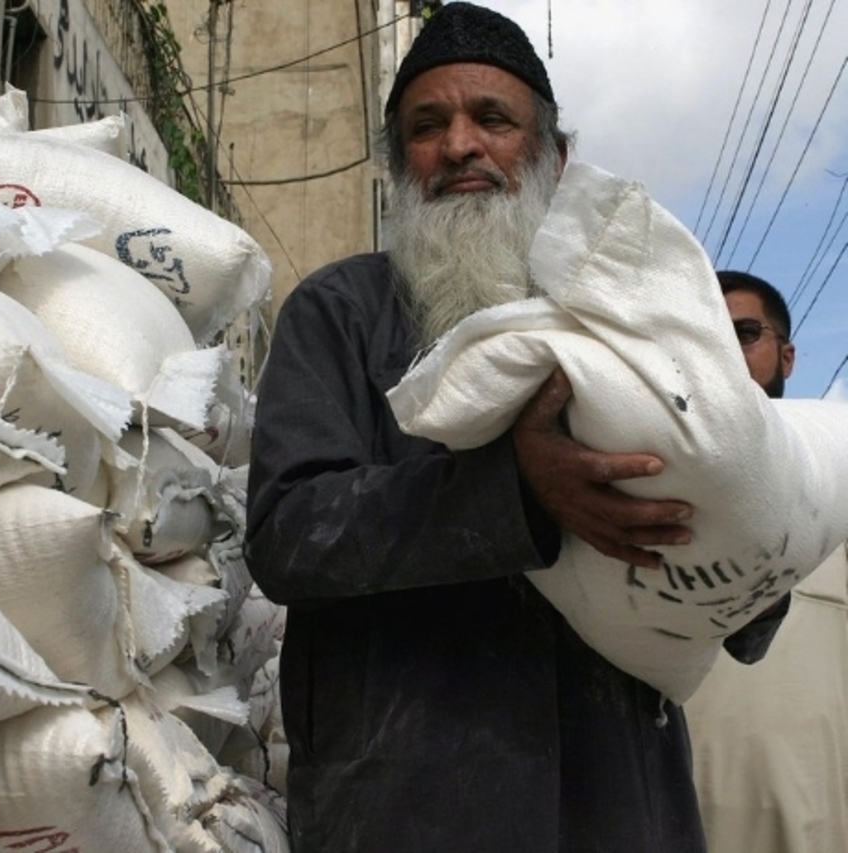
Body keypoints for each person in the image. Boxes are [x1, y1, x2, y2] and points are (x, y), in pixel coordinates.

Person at [244, 4, 787, 850]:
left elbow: (739, 535)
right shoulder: (340, 314)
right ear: (398, 164)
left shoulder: (629, 324)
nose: (461, 145)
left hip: (622, 809)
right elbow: (289, 533)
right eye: (428, 126)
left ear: (554, 156)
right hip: (402, 810)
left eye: (492, 119)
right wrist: (514, 493)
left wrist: (746, 542)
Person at [684, 270, 847, 853]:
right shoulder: (635, 489)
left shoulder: (836, 480)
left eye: (744, 333)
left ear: (788, 355)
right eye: (705, 339)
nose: (725, 354)